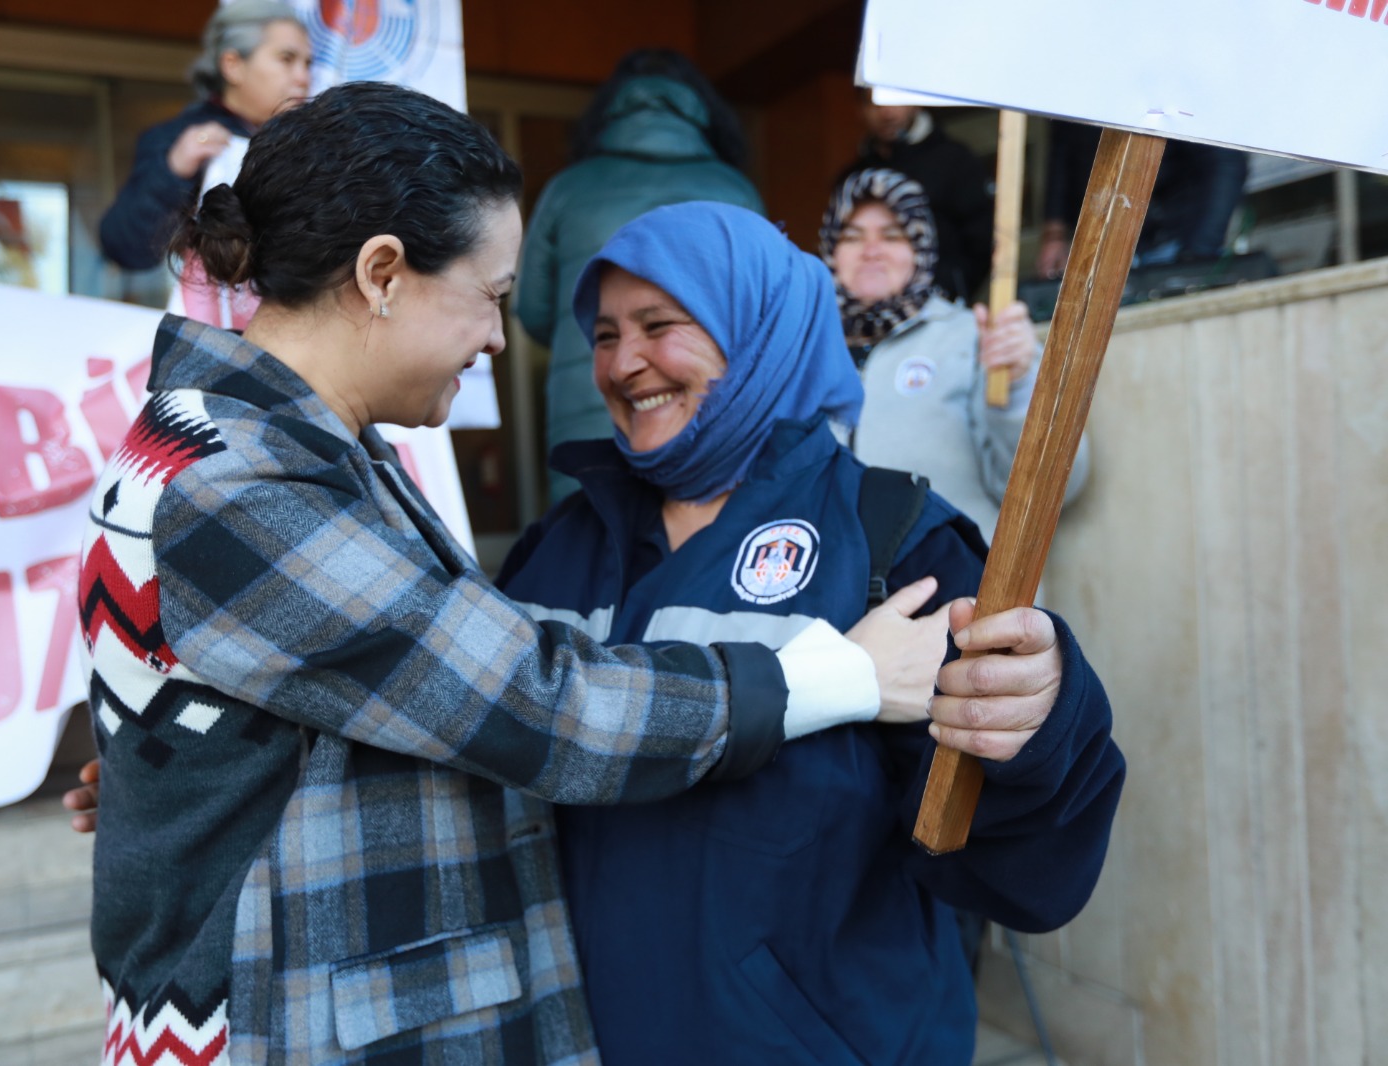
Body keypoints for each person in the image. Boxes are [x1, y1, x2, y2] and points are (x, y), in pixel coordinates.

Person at [77, 82, 926, 1065]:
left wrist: (181, 783)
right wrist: (834, 677)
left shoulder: (291, 446)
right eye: (489, 296)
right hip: (280, 1023)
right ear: (383, 273)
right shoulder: (240, 483)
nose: (494, 340)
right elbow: (534, 703)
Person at [495, 201, 1124, 1064]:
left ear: (759, 331)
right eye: (603, 334)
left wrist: (1044, 720)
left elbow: (1013, 871)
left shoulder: (895, 539)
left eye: (659, 325)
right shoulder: (556, 546)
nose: (622, 363)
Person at [515, 48, 763, 503]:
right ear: (697, 107)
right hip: (706, 404)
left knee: (584, 544)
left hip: (588, 399)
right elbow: (760, 318)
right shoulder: (734, 191)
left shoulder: (568, 189)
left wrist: (600, 338)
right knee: (696, 546)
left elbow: (531, 310)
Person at [819, 166, 1090, 540]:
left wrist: (1018, 386)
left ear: (922, 248)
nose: (871, 251)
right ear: (830, 248)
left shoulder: (977, 339)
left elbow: (1056, 489)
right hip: (837, 596)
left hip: (960, 593)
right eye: (852, 236)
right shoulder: (804, 352)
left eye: (892, 235)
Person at [97, 0, 309, 271]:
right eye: (287, 59)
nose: (303, 77)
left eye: (307, 63)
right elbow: (124, 247)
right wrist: (173, 169)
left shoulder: (307, 147)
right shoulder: (176, 140)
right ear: (233, 65)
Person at [1038, 119, 1249, 278]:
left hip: (1175, 241)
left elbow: (1225, 163)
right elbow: (1063, 147)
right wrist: (1054, 233)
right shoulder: (1085, 80)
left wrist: (1197, 255)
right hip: (1103, 246)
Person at [845, 91, 992, 302]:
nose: (886, 112)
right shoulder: (852, 179)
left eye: (895, 100)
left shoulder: (955, 160)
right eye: (874, 103)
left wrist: (949, 288)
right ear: (860, 110)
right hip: (875, 314)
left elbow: (983, 238)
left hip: (944, 309)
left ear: (916, 102)